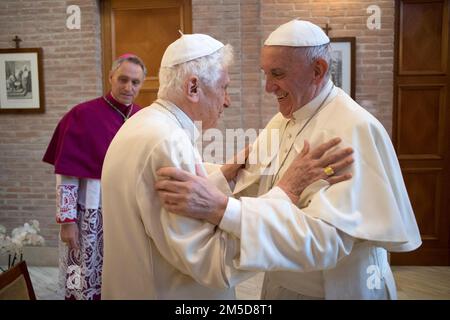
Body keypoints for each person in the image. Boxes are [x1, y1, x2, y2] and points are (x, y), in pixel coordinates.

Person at [155, 20, 422, 299]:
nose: (268, 87)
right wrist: (223, 175)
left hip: (335, 289)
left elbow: (326, 241)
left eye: (278, 74)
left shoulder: (352, 129)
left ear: (317, 70)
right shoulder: (281, 121)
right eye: (266, 74)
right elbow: (251, 186)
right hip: (281, 285)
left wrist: (224, 209)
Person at [100, 33, 353, 299]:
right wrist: (285, 192)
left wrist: (222, 177)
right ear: (193, 88)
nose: (227, 101)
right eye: (224, 87)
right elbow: (212, 262)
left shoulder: (143, 124)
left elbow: (163, 209)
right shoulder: (168, 142)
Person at [42, 53, 147, 300]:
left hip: (127, 214)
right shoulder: (82, 115)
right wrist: (67, 221)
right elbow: (66, 174)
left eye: (135, 82)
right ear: (111, 77)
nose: (128, 87)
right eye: (122, 79)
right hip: (88, 214)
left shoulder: (144, 117)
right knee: (80, 275)